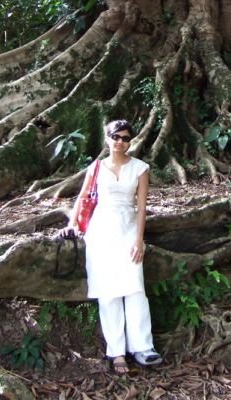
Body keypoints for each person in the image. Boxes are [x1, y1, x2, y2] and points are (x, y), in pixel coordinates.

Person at [63, 119, 162, 375]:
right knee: (108, 292)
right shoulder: (96, 167)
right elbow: (83, 197)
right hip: (100, 231)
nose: (121, 142)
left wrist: (139, 239)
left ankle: (142, 346)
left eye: (126, 138)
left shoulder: (140, 168)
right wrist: (72, 223)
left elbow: (142, 207)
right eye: (116, 137)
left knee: (134, 287)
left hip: (128, 228)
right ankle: (116, 350)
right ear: (107, 139)